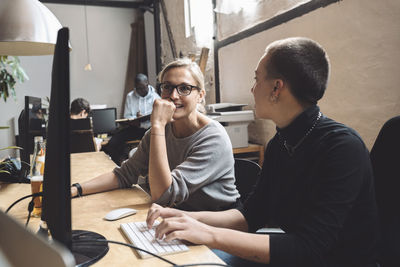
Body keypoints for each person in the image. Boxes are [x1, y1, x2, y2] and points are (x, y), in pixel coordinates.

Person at [145, 37, 380, 267]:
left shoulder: (342, 148)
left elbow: (309, 249)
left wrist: (208, 234)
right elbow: (249, 216)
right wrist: (183, 219)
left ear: (276, 88)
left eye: (257, 79)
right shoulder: (281, 142)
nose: (252, 88)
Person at [71, 58, 240, 211]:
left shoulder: (213, 138)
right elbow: (124, 174)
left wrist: (158, 125)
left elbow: (163, 196)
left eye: (184, 88)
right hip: (179, 216)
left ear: (200, 96)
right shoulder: (160, 132)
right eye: (167, 87)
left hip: (217, 227)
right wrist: (76, 188)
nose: (173, 96)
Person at [102, 73, 160, 165]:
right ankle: (118, 164)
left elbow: (157, 119)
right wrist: (136, 118)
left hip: (150, 128)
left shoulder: (156, 98)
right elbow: (127, 116)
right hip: (135, 128)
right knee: (113, 142)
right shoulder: (130, 96)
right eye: (137, 88)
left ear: (147, 84)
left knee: (156, 142)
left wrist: (142, 123)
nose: (140, 91)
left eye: (142, 88)